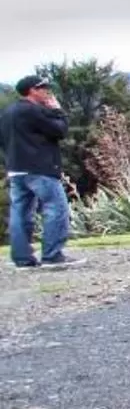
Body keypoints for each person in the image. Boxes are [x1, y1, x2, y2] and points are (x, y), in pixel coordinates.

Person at [3, 75, 77, 269]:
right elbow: (60, 131)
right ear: (32, 91)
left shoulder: (7, 112)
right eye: (42, 88)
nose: (47, 91)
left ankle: (22, 258)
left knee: (20, 213)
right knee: (56, 208)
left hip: (16, 169)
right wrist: (58, 111)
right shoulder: (34, 111)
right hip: (40, 169)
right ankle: (52, 255)